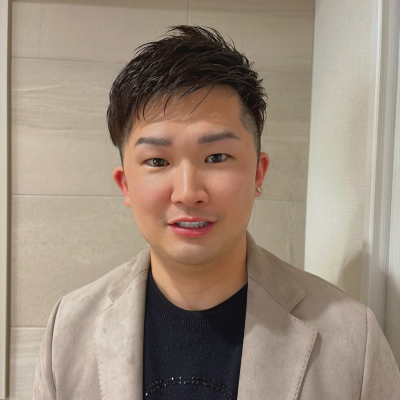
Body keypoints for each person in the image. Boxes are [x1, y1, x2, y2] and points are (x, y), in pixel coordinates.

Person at [33, 26, 400, 400]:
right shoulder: (68, 331)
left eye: (216, 157)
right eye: (157, 161)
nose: (188, 193)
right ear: (125, 184)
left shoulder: (354, 340)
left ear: (257, 173)